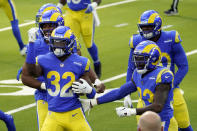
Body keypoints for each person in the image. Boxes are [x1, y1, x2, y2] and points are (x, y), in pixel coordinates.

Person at [75, 40, 178, 131]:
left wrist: (131, 111)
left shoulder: (163, 75)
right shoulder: (138, 74)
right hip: (147, 122)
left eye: (141, 59)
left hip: (164, 123)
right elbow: (120, 92)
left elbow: (158, 106)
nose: (138, 63)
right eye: (136, 59)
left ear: (153, 59)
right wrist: (93, 102)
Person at [124, 10, 193, 131]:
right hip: (146, 89)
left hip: (169, 87)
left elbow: (183, 66)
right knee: (147, 127)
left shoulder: (170, 38)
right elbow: (131, 67)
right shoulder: (136, 41)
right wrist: (127, 92)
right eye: (143, 27)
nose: (145, 30)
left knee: (184, 124)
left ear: (158, 25)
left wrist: (171, 85)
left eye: (149, 27)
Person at [24, 25, 96, 131]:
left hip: (74, 114)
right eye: (55, 42)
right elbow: (31, 72)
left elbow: (92, 94)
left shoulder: (80, 62)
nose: (57, 46)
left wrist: (88, 89)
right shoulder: (44, 59)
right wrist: (31, 44)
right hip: (53, 115)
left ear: (69, 43)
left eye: (61, 42)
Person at [57, 0, 102, 78]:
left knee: (89, 44)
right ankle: (72, 67)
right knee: (70, 42)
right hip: (71, 13)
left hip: (86, 13)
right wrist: (58, 6)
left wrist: (94, 4)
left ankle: (97, 63)